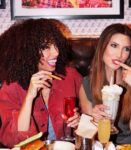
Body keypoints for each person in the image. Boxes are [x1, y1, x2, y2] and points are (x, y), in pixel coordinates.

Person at [0, 18, 82, 148]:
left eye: (56, 45)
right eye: (45, 47)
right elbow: (13, 141)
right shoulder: (11, 87)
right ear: (26, 52)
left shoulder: (70, 77)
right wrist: (29, 97)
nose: (56, 52)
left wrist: (79, 121)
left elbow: (89, 125)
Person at [79, 23, 131, 146]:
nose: (119, 55)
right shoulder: (87, 84)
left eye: (126, 49)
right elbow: (91, 138)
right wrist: (94, 121)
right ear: (102, 47)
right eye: (114, 46)